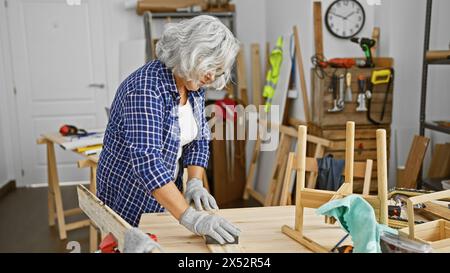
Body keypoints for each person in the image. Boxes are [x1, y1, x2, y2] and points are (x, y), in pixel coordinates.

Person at [96, 15, 240, 244]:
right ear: (190, 53)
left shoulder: (194, 86)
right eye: (209, 66)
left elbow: (199, 138)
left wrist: (194, 182)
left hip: (164, 194)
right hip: (128, 199)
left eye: (218, 70)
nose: (212, 76)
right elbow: (148, 163)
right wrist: (191, 218)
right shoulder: (145, 89)